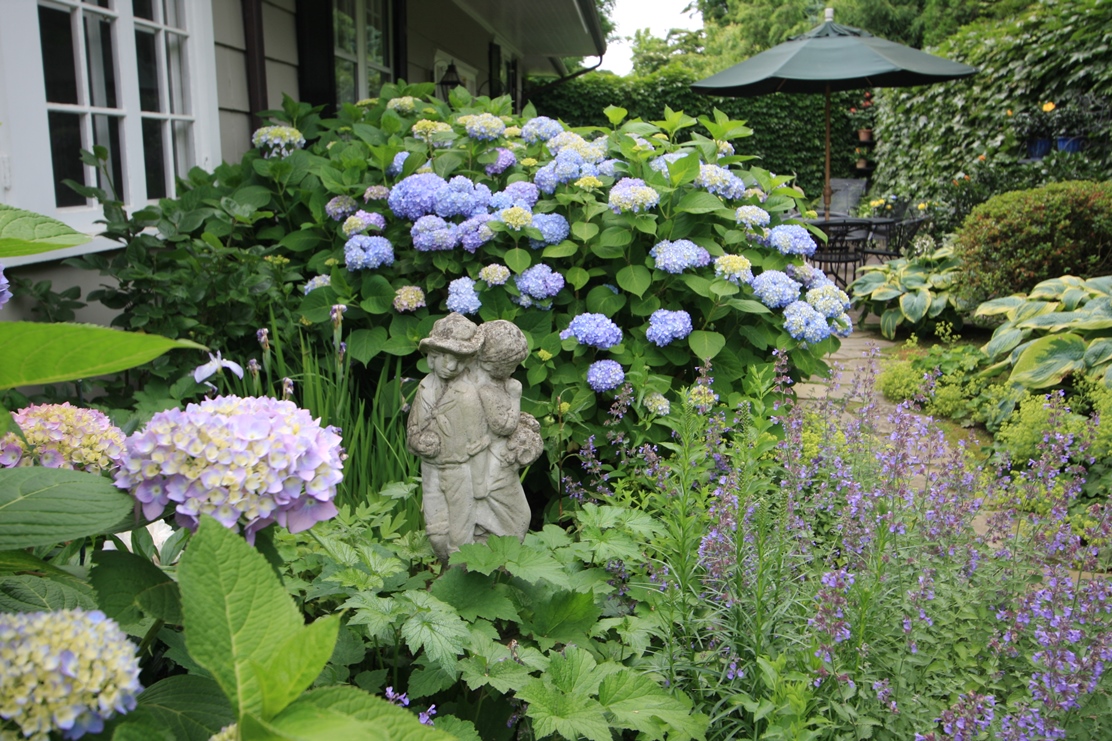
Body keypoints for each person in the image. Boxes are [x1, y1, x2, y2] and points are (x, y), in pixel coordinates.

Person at [406, 313, 487, 561]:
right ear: (432, 357)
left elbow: (479, 441)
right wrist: (417, 442)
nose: (450, 366)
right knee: (437, 534)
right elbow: (412, 428)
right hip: (430, 470)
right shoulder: (425, 387)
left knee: (460, 538)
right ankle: (448, 571)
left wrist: (480, 485)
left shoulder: (468, 393)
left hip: (459, 471)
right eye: (444, 357)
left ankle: (460, 586)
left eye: (458, 360)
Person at [473, 321, 542, 544]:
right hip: (490, 463)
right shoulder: (485, 388)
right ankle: (491, 564)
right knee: (518, 517)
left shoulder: (490, 382)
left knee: (516, 519)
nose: (513, 371)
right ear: (493, 362)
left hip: (495, 460)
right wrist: (515, 395)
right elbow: (504, 426)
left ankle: (497, 566)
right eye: (510, 365)